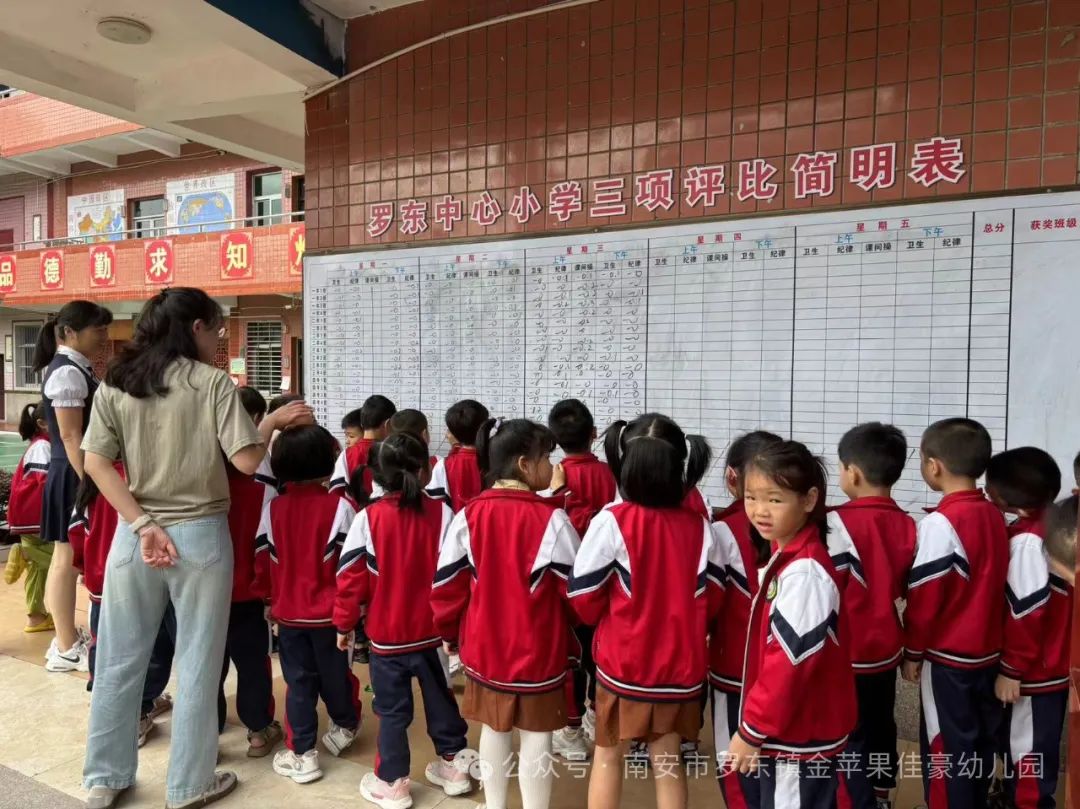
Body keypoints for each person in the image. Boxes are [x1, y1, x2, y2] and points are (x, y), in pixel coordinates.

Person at [80, 287, 311, 809]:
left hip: (135, 536)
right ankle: (188, 785)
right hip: (200, 535)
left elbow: (96, 463)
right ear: (195, 329)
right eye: (217, 328)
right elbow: (249, 461)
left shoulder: (118, 382)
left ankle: (104, 779)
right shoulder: (212, 385)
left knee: (117, 658)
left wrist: (141, 524)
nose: (222, 337)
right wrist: (270, 423)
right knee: (199, 659)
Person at [569, 413, 721, 809]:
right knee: (668, 763)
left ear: (625, 464)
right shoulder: (702, 528)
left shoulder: (612, 522)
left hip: (624, 665)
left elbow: (583, 598)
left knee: (607, 756)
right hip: (680, 669)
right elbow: (714, 599)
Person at [431, 418, 579, 809]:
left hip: (485, 647)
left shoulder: (469, 515)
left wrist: (448, 633)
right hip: (539, 650)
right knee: (537, 735)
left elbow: (447, 585)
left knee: (494, 729)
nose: (553, 466)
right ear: (524, 465)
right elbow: (577, 593)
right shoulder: (553, 520)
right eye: (547, 457)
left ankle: (493, 805)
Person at [334, 432, 472, 809]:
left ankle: (392, 782)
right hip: (433, 634)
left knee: (391, 711)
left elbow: (350, 579)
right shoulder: (444, 514)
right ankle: (455, 766)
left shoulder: (368, 519)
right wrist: (453, 629)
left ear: (375, 476)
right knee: (442, 699)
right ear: (427, 470)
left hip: (386, 639)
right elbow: (457, 577)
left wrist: (344, 624)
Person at [724, 440, 857, 807]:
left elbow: (788, 664)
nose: (759, 511)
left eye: (775, 499)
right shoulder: (789, 557)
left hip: (797, 737)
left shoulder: (805, 573)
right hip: (790, 732)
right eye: (751, 497)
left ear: (809, 499)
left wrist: (752, 731)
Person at [900, 418, 1008, 809]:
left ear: (934, 466)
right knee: (977, 745)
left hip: (948, 660)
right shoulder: (995, 515)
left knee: (946, 747)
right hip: (988, 655)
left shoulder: (941, 523)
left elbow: (926, 597)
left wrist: (912, 651)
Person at [254, 424, 361, 785]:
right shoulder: (342, 507)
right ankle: (345, 724)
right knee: (336, 676)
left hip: (289, 616)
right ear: (329, 464)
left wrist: (269, 600)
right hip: (332, 618)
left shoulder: (274, 509)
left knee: (298, 683)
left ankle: (302, 754)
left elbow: (262, 560)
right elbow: (351, 566)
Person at [826, 423, 916, 809]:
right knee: (880, 723)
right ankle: (880, 793)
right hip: (885, 649)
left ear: (853, 473)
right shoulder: (911, 525)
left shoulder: (834, 523)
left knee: (848, 733)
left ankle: (857, 801)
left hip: (843, 651)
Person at [985, 447, 1068, 809]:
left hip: (1034, 672)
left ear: (1007, 498)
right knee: (1027, 746)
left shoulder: (1028, 541)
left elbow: (1027, 610)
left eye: (991, 486)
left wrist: (1011, 669)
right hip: (1052, 663)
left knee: (1028, 749)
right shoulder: (1058, 526)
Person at [35, 300, 113, 673]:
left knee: (64, 558)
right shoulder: (66, 373)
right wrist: (91, 482)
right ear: (68, 332)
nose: (103, 337)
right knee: (65, 559)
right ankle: (65, 647)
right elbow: (70, 434)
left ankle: (64, 640)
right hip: (73, 472)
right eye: (96, 330)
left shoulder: (77, 368)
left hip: (75, 470)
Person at [72, 468, 176, 748]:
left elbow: (77, 531)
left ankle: (117, 711)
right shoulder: (140, 476)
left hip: (102, 586)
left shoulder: (95, 477)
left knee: (108, 650)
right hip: (139, 582)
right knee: (153, 648)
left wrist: (84, 567)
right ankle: (138, 711)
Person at [708, 430, 782, 808]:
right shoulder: (810, 526)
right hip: (785, 672)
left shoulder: (722, 531)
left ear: (733, 478)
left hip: (735, 668)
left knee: (734, 763)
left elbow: (709, 604)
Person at [546, 398, 615, 760]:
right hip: (606, 581)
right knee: (596, 653)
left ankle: (573, 730)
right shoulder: (610, 473)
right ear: (593, 433)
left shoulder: (553, 478)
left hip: (568, 585)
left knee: (572, 657)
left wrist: (562, 494)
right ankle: (592, 713)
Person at [219, 386, 282, 757]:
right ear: (255, 424)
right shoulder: (263, 487)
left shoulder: (204, 474)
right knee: (252, 662)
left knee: (206, 663)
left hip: (204, 586)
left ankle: (206, 735)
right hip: (246, 591)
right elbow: (265, 547)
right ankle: (258, 730)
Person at [3, 402, 54, 632]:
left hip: (29, 516)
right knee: (65, 561)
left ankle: (36, 615)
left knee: (38, 567)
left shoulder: (40, 444)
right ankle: (24, 552)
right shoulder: (42, 446)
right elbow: (45, 482)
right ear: (42, 423)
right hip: (34, 516)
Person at [428, 399, 489, 512]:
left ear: (452, 433)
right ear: (486, 427)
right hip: (488, 524)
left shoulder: (444, 465)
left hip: (454, 525)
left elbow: (434, 502)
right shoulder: (496, 460)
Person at [329, 395, 396, 492]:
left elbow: (336, 490)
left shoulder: (347, 455)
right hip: (385, 506)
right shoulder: (393, 452)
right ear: (388, 424)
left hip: (354, 507)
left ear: (362, 424)